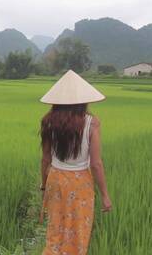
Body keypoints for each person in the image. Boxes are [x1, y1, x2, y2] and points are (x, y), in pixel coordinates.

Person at [39, 70, 112, 255]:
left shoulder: (48, 122)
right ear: (83, 100)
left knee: (56, 227)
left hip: (55, 178)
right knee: (79, 228)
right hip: (80, 183)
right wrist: (105, 194)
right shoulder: (92, 123)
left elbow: (46, 158)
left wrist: (43, 184)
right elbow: (96, 164)